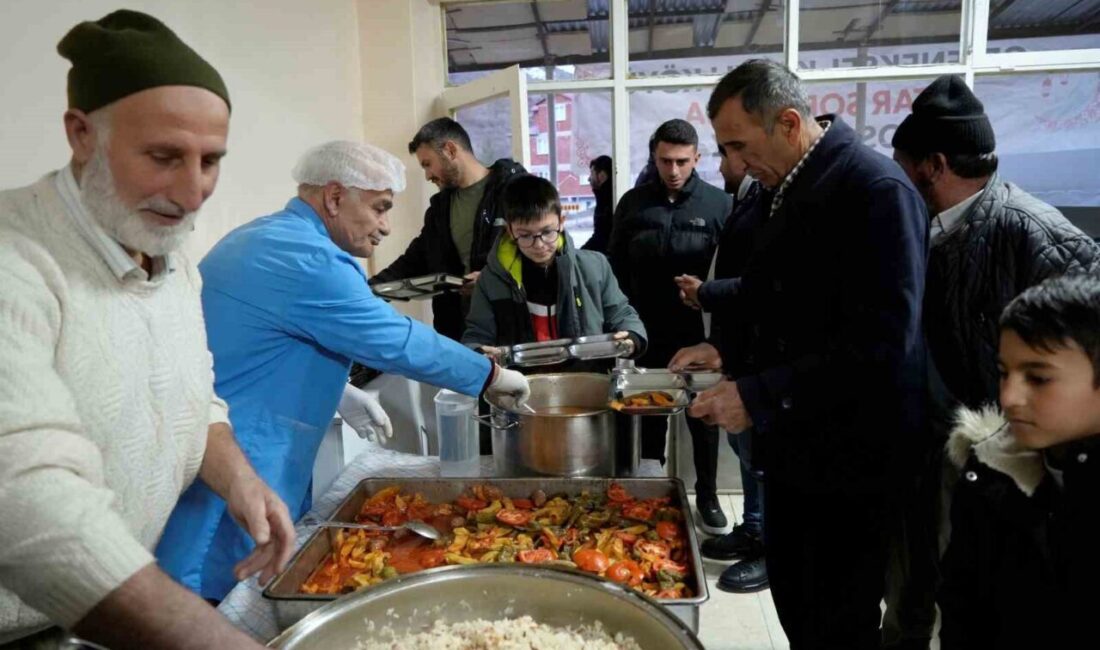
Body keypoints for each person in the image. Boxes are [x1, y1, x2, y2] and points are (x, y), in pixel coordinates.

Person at [0, 10, 294, 649]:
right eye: (164, 157)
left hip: (100, 615)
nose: (193, 194)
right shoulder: (16, 259)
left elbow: (195, 397)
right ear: (82, 134)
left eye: (210, 161)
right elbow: (28, 502)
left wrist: (243, 484)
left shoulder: (171, 258)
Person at [155, 141, 530, 602]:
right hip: (237, 461)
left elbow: (262, 344)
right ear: (334, 198)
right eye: (380, 208)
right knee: (222, 600)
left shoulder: (268, 236)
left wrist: (337, 393)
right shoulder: (307, 257)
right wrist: (489, 377)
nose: (385, 227)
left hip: (246, 442)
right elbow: (393, 338)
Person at [690, 59, 928, 649]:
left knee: (838, 619)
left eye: (740, 146)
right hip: (796, 448)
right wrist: (724, 348)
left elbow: (882, 346)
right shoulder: (784, 185)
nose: (735, 165)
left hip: (850, 460)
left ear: (790, 123)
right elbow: (778, 293)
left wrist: (758, 392)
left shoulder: (874, 191)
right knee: (798, 602)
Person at [883, 74, 1100, 650]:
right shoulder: (924, 226)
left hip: (998, 459)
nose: (896, 178)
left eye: (902, 164)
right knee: (921, 588)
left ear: (933, 164)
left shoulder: (1036, 236)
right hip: (927, 445)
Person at [938, 274, 1100, 649]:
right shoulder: (988, 472)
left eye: (1038, 378)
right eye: (1003, 373)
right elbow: (962, 608)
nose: (1009, 396)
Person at [609, 119, 732, 535]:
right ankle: (650, 492)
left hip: (698, 333)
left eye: (682, 161)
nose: (674, 170)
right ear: (654, 157)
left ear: (697, 157)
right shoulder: (633, 204)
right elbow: (612, 266)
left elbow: (735, 272)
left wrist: (709, 294)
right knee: (649, 416)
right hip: (644, 333)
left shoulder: (720, 205)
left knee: (704, 419)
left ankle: (710, 496)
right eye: (665, 161)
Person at [671, 144, 767, 593]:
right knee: (748, 453)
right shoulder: (749, 200)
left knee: (761, 456)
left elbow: (761, 287)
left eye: (726, 154)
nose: (720, 166)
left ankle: (766, 545)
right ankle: (752, 528)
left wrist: (707, 293)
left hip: (764, 358)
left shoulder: (767, 200)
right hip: (739, 353)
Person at [370, 118, 525, 341]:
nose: (427, 175)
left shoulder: (517, 190)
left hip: (509, 330)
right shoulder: (439, 209)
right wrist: (367, 291)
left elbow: (546, 254)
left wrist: (492, 281)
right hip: (458, 335)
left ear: (450, 150)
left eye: (427, 164)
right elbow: (414, 260)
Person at [463, 174, 646, 357]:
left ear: (561, 222)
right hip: (521, 380)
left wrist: (632, 336)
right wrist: (477, 352)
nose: (539, 244)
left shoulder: (594, 267)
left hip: (585, 377)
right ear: (510, 231)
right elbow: (477, 334)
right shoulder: (491, 280)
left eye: (547, 232)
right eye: (526, 235)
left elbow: (622, 315)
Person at [580, 155, 613, 254]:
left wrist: (580, 254)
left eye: (592, 173)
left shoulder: (606, 202)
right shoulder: (606, 198)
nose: (589, 179)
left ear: (602, 175)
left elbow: (600, 237)